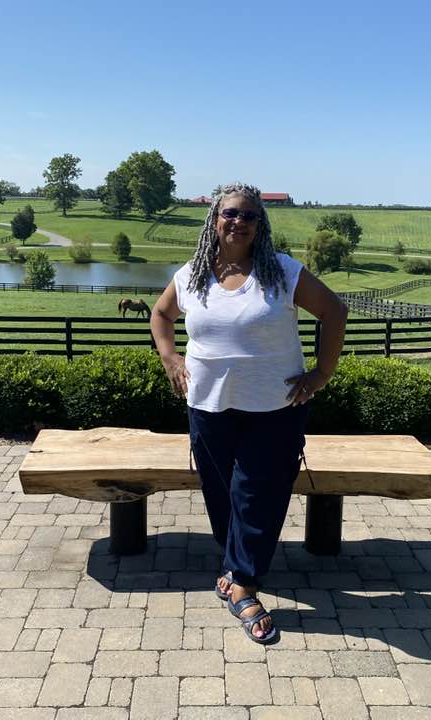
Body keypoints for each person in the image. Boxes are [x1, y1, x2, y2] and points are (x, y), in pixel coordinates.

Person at [150, 183, 347, 643]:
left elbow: (334, 312)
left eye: (248, 216)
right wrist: (170, 358)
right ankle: (234, 565)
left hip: (275, 408)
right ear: (214, 221)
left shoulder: (282, 272)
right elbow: (160, 315)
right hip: (208, 406)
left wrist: (321, 374)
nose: (238, 221)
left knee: (259, 495)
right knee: (221, 495)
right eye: (230, 214)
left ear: (261, 226)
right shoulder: (192, 275)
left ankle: (243, 583)